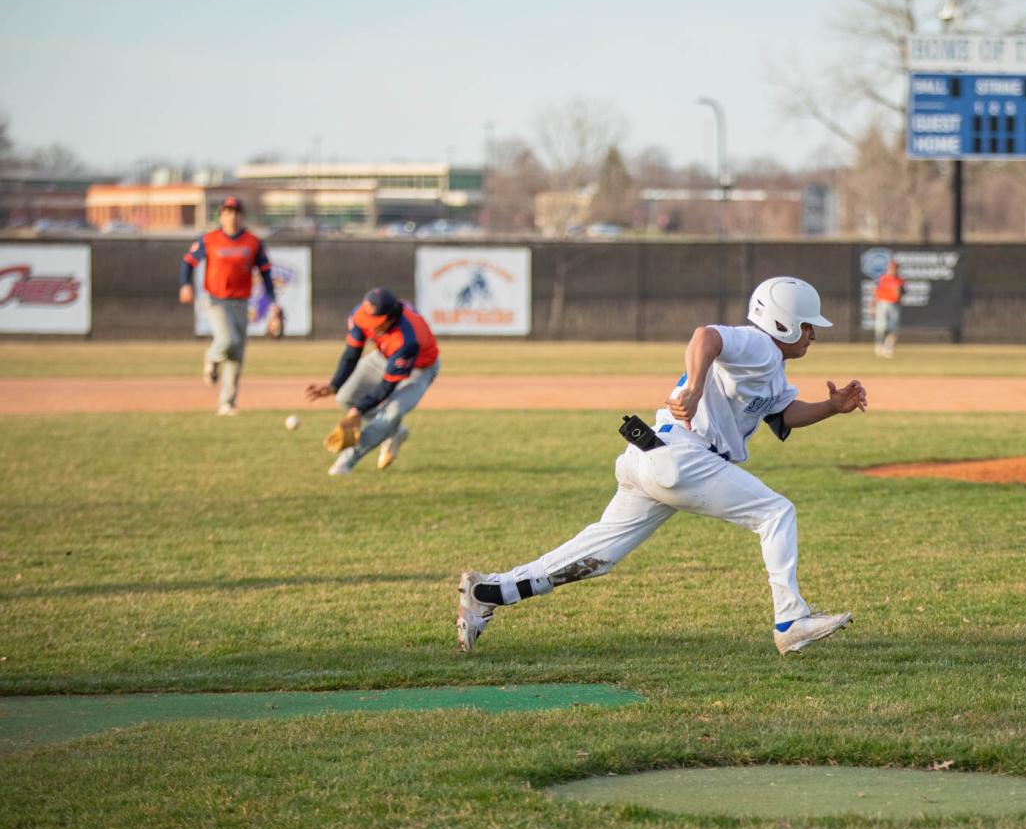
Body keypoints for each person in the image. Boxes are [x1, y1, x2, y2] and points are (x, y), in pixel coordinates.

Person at [456, 276, 867, 656]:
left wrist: (832, 407)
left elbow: (783, 413)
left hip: (653, 455)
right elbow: (705, 337)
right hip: (682, 457)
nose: (813, 333)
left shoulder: (771, 366)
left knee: (598, 556)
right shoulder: (758, 345)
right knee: (776, 512)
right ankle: (791, 620)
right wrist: (694, 387)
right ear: (781, 324)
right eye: (807, 325)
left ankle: (490, 592)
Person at [304, 288, 440, 476]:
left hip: (420, 368)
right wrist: (333, 385)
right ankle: (394, 431)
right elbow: (351, 354)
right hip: (382, 357)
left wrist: (358, 412)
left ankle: (347, 461)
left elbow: (386, 387)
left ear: (391, 318)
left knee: (391, 413)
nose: (371, 326)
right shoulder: (362, 314)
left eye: (377, 322)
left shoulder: (407, 338)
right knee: (345, 397)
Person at [179, 196, 282, 415]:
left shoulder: (253, 242)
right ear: (222, 216)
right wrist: (185, 285)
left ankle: (227, 403)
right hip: (215, 299)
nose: (232, 216)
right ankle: (211, 357)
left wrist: (273, 303)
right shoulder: (210, 239)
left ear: (241, 216)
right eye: (227, 212)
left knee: (237, 353)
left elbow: (265, 273)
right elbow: (188, 262)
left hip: (241, 301)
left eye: (235, 212)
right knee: (228, 340)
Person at [870, 260, 904, 358]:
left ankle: (888, 347)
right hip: (883, 303)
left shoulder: (900, 281)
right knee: (881, 326)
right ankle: (879, 346)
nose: (893, 270)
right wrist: (872, 306)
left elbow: (901, 294)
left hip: (894, 305)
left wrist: (898, 293)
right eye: (891, 268)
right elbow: (875, 292)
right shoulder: (883, 279)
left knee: (894, 328)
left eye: (895, 268)